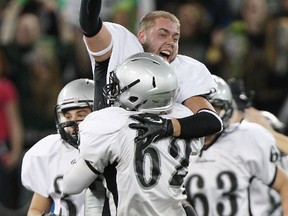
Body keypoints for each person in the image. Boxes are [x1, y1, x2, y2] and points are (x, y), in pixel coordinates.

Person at [62, 53, 202, 216]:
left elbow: (71, 186)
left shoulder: (111, 124)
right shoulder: (184, 118)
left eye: (120, 86)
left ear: (137, 96)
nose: (114, 90)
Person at [79, 0, 223, 139]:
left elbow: (211, 121)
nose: (170, 42)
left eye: (175, 38)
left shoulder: (185, 69)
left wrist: (164, 127)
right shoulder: (122, 43)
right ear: (142, 36)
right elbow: (89, 24)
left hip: (150, 152)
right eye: (163, 34)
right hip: (105, 142)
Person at [184, 75, 288, 215]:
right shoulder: (178, 145)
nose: (207, 120)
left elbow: (284, 184)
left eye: (215, 108)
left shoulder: (247, 137)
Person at [21, 78, 94, 216]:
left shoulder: (114, 147)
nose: (72, 122)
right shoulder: (51, 151)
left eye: (81, 115)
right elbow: (36, 209)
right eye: (67, 116)